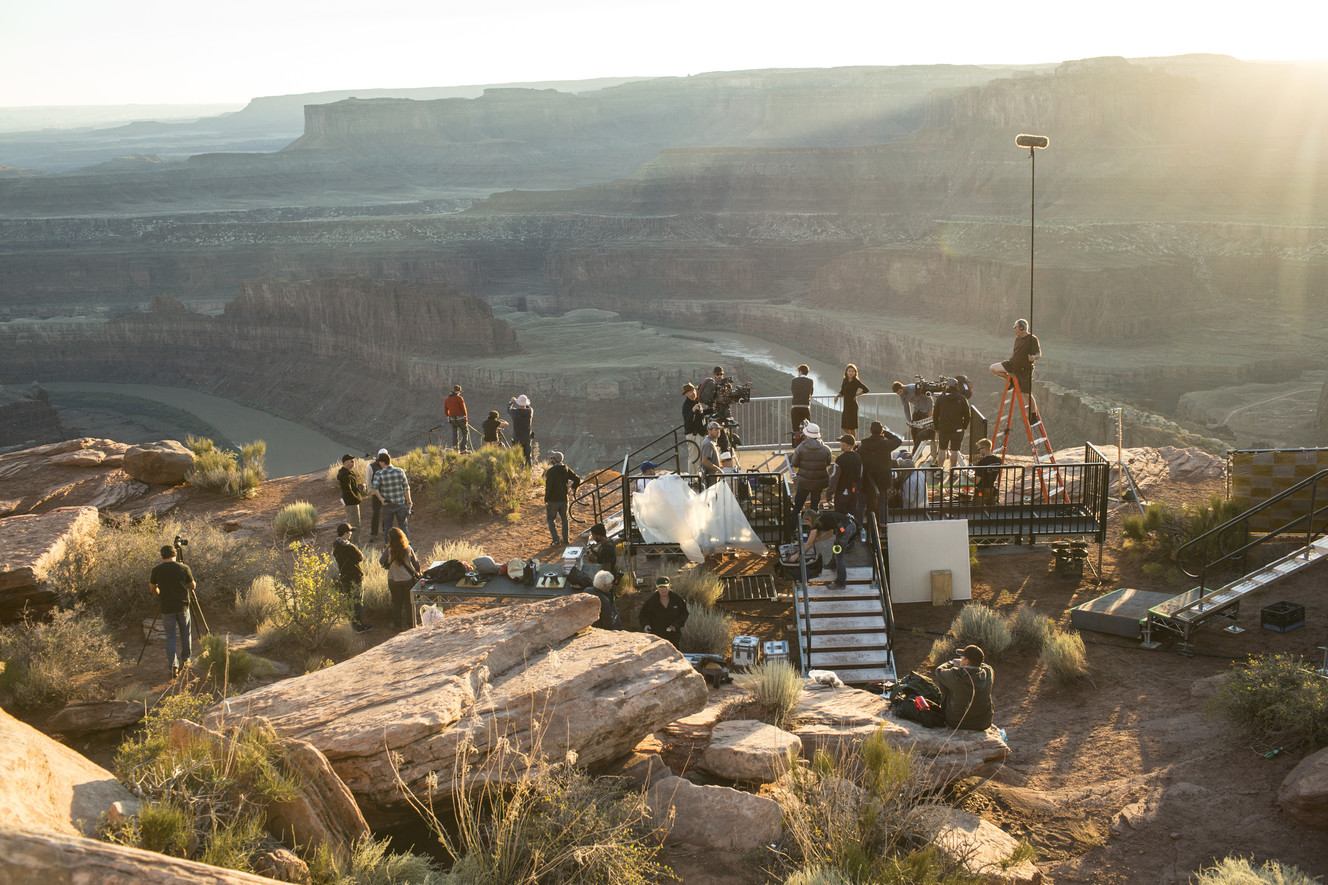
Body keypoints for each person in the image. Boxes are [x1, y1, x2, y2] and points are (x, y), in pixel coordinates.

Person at [149, 544, 195, 677]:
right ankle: (186, 660)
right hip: (182, 606)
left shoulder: (156, 570)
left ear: (162, 556)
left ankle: (173, 666)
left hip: (166, 607)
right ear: (175, 554)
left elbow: (152, 588)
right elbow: (192, 586)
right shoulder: (184, 568)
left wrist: (159, 593)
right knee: (185, 633)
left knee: (170, 637)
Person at [990, 318, 1042, 423]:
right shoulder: (1017, 338)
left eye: (1015, 327)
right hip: (1012, 365)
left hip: (1024, 371)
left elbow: (1039, 354)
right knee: (993, 368)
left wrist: (1033, 358)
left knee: (1026, 394)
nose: (1014, 329)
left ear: (1021, 328)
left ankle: (1033, 416)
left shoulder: (1032, 339)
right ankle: (1013, 382)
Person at [934, 644, 995, 731]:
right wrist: (968, 663)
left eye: (963, 657)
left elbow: (939, 671)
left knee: (944, 681)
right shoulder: (988, 672)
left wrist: (951, 663)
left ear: (966, 661)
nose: (961, 658)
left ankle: (944, 709)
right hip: (983, 723)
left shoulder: (956, 676)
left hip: (956, 722)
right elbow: (984, 666)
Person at [787, 422, 832, 533]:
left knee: (798, 506)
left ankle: (793, 529)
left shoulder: (800, 448)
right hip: (819, 482)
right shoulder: (826, 449)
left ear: (807, 435)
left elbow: (794, 463)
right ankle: (814, 530)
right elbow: (828, 463)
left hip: (804, 481)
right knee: (814, 507)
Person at [859, 420, 904, 524]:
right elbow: (898, 440)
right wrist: (886, 433)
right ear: (881, 432)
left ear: (870, 431)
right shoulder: (886, 444)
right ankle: (883, 523)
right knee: (883, 502)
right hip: (883, 477)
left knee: (866, 502)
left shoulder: (864, 445)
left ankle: (865, 524)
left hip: (868, 477)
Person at [801, 508, 856, 589]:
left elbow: (808, 543)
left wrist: (798, 555)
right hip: (850, 526)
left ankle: (840, 583)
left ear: (810, 519)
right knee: (837, 546)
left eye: (807, 521)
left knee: (839, 556)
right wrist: (817, 540)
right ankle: (832, 564)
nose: (807, 524)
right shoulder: (823, 517)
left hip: (846, 529)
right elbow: (830, 534)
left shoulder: (816, 523)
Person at [380, 527, 421, 632]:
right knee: (409, 603)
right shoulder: (408, 548)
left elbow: (381, 561)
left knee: (396, 603)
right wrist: (418, 572)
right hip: (407, 580)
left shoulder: (389, 550)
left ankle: (397, 625)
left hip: (393, 580)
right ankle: (411, 625)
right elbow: (416, 563)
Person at [333, 523, 372, 633]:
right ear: (345, 533)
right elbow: (360, 557)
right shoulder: (348, 546)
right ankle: (359, 625)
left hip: (344, 576)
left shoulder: (335, 544)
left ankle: (350, 623)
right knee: (357, 601)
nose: (350, 534)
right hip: (354, 576)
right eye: (349, 532)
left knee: (348, 599)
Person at [371, 451, 413, 539]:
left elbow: (374, 489)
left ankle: (388, 548)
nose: (379, 464)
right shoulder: (400, 471)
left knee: (388, 528)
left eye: (380, 462)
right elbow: (406, 487)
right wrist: (409, 501)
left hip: (388, 505)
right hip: (400, 503)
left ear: (383, 462)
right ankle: (407, 547)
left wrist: (382, 500)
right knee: (403, 526)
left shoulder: (379, 473)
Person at [933, 379, 972, 473]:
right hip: (957, 429)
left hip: (943, 428)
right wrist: (964, 427)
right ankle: (953, 470)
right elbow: (967, 414)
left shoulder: (941, 398)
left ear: (947, 386)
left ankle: (939, 470)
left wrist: (936, 427)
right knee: (955, 450)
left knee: (942, 449)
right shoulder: (962, 399)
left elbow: (935, 414)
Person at [543, 451, 581, 546]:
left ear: (555, 460)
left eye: (552, 458)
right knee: (565, 519)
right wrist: (572, 488)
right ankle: (565, 539)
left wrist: (546, 499)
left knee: (551, 519)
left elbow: (549, 487)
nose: (551, 459)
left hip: (553, 500)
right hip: (564, 499)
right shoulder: (566, 469)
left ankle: (556, 540)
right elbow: (577, 479)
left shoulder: (551, 472)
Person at [639, 576, 688, 646]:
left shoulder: (677, 599)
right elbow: (643, 615)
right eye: (660, 587)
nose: (663, 589)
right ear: (657, 587)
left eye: (665, 587)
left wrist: (676, 625)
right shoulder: (651, 600)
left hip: (673, 636)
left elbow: (684, 613)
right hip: (657, 636)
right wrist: (645, 625)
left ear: (669, 586)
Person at [829, 434, 863, 524]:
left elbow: (835, 477)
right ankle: (852, 534)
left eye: (842, 442)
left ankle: (842, 533)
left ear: (847, 445)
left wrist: (830, 492)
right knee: (851, 514)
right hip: (854, 491)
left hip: (841, 492)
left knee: (840, 517)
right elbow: (860, 475)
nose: (840, 444)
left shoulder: (840, 459)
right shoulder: (858, 458)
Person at [892, 381, 935, 448]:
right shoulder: (902, 395)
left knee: (920, 432)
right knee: (913, 431)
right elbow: (906, 407)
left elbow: (929, 398)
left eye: (900, 392)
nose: (900, 394)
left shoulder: (913, 388)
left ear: (902, 387)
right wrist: (910, 421)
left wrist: (930, 411)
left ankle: (915, 452)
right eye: (898, 393)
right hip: (917, 410)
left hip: (926, 410)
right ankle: (917, 451)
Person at [833, 364, 870, 438]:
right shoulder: (845, 380)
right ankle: (850, 439)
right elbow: (842, 391)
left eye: (853, 371)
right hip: (846, 406)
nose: (851, 373)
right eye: (849, 371)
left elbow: (866, 389)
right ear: (846, 372)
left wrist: (857, 395)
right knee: (844, 426)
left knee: (851, 427)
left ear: (855, 373)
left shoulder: (856, 381)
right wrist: (837, 396)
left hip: (852, 406)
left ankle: (852, 443)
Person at [336, 453, 366, 542]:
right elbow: (347, 490)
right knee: (355, 525)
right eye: (351, 461)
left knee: (350, 525)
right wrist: (356, 499)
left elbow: (351, 487)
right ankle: (355, 545)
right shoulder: (346, 475)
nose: (353, 462)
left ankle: (351, 543)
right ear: (345, 463)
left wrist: (359, 486)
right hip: (351, 503)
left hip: (350, 503)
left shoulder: (347, 473)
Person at [681, 382, 707, 474]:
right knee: (694, 457)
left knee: (700, 458)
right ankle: (692, 479)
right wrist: (693, 411)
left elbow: (701, 414)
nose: (693, 393)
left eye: (694, 390)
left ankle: (697, 478)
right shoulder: (686, 406)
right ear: (686, 394)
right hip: (693, 434)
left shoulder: (696, 402)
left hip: (699, 433)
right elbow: (687, 421)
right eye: (690, 391)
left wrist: (712, 410)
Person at [972, 437, 1002, 504]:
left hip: (981, 492)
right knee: (992, 511)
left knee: (975, 510)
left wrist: (967, 477)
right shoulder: (998, 461)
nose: (979, 451)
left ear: (984, 448)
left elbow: (977, 481)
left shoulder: (982, 462)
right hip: (991, 491)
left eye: (979, 449)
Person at [367, 447, 388, 541]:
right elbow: (368, 481)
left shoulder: (388, 465)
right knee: (376, 513)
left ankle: (385, 530)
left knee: (386, 512)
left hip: (386, 493)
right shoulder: (371, 466)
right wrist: (371, 491)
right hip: (376, 494)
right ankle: (373, 534)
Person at [508, 394, 535, 465]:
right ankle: (528, 471)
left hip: (517, 438)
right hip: (527, 438)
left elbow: (508, 408)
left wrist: (511, 402)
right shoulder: (530, 411)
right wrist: (525, 403)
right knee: (528, 457)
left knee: (518, 456)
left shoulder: (514, 412)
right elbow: (529, 407)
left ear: (518, 403)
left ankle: (520, 471)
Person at [443, 384, 469, 452]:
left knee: (455, 434)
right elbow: (464, 409)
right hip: (460, 418)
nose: (459, 392)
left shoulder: (447, 399)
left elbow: (446, 410)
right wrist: (465, 418)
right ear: (457, 391)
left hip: (452, 419)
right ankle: (463, 449)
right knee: (465, 432)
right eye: (459, 391)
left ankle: (455, 450)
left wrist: (448, 417)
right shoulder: (459, 398)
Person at [699, 420, 725, 488]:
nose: (718, 432)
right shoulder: (708, 443)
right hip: (710, 478)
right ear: (709, 431)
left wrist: (719, 467)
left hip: (713, 477)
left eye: (719, 430)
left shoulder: (712, 442)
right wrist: (718, 469)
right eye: (715, 430)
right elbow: (704, 461)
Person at [791, 364, 814, 432]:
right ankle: (806, 441)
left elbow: (793, 392)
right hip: (805, 407)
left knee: (795, 428)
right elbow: (811, 393)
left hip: (795, 407)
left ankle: (796, 442)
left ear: (800, 371)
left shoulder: (794, 381)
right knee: (807, 428)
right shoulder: (810, 381)